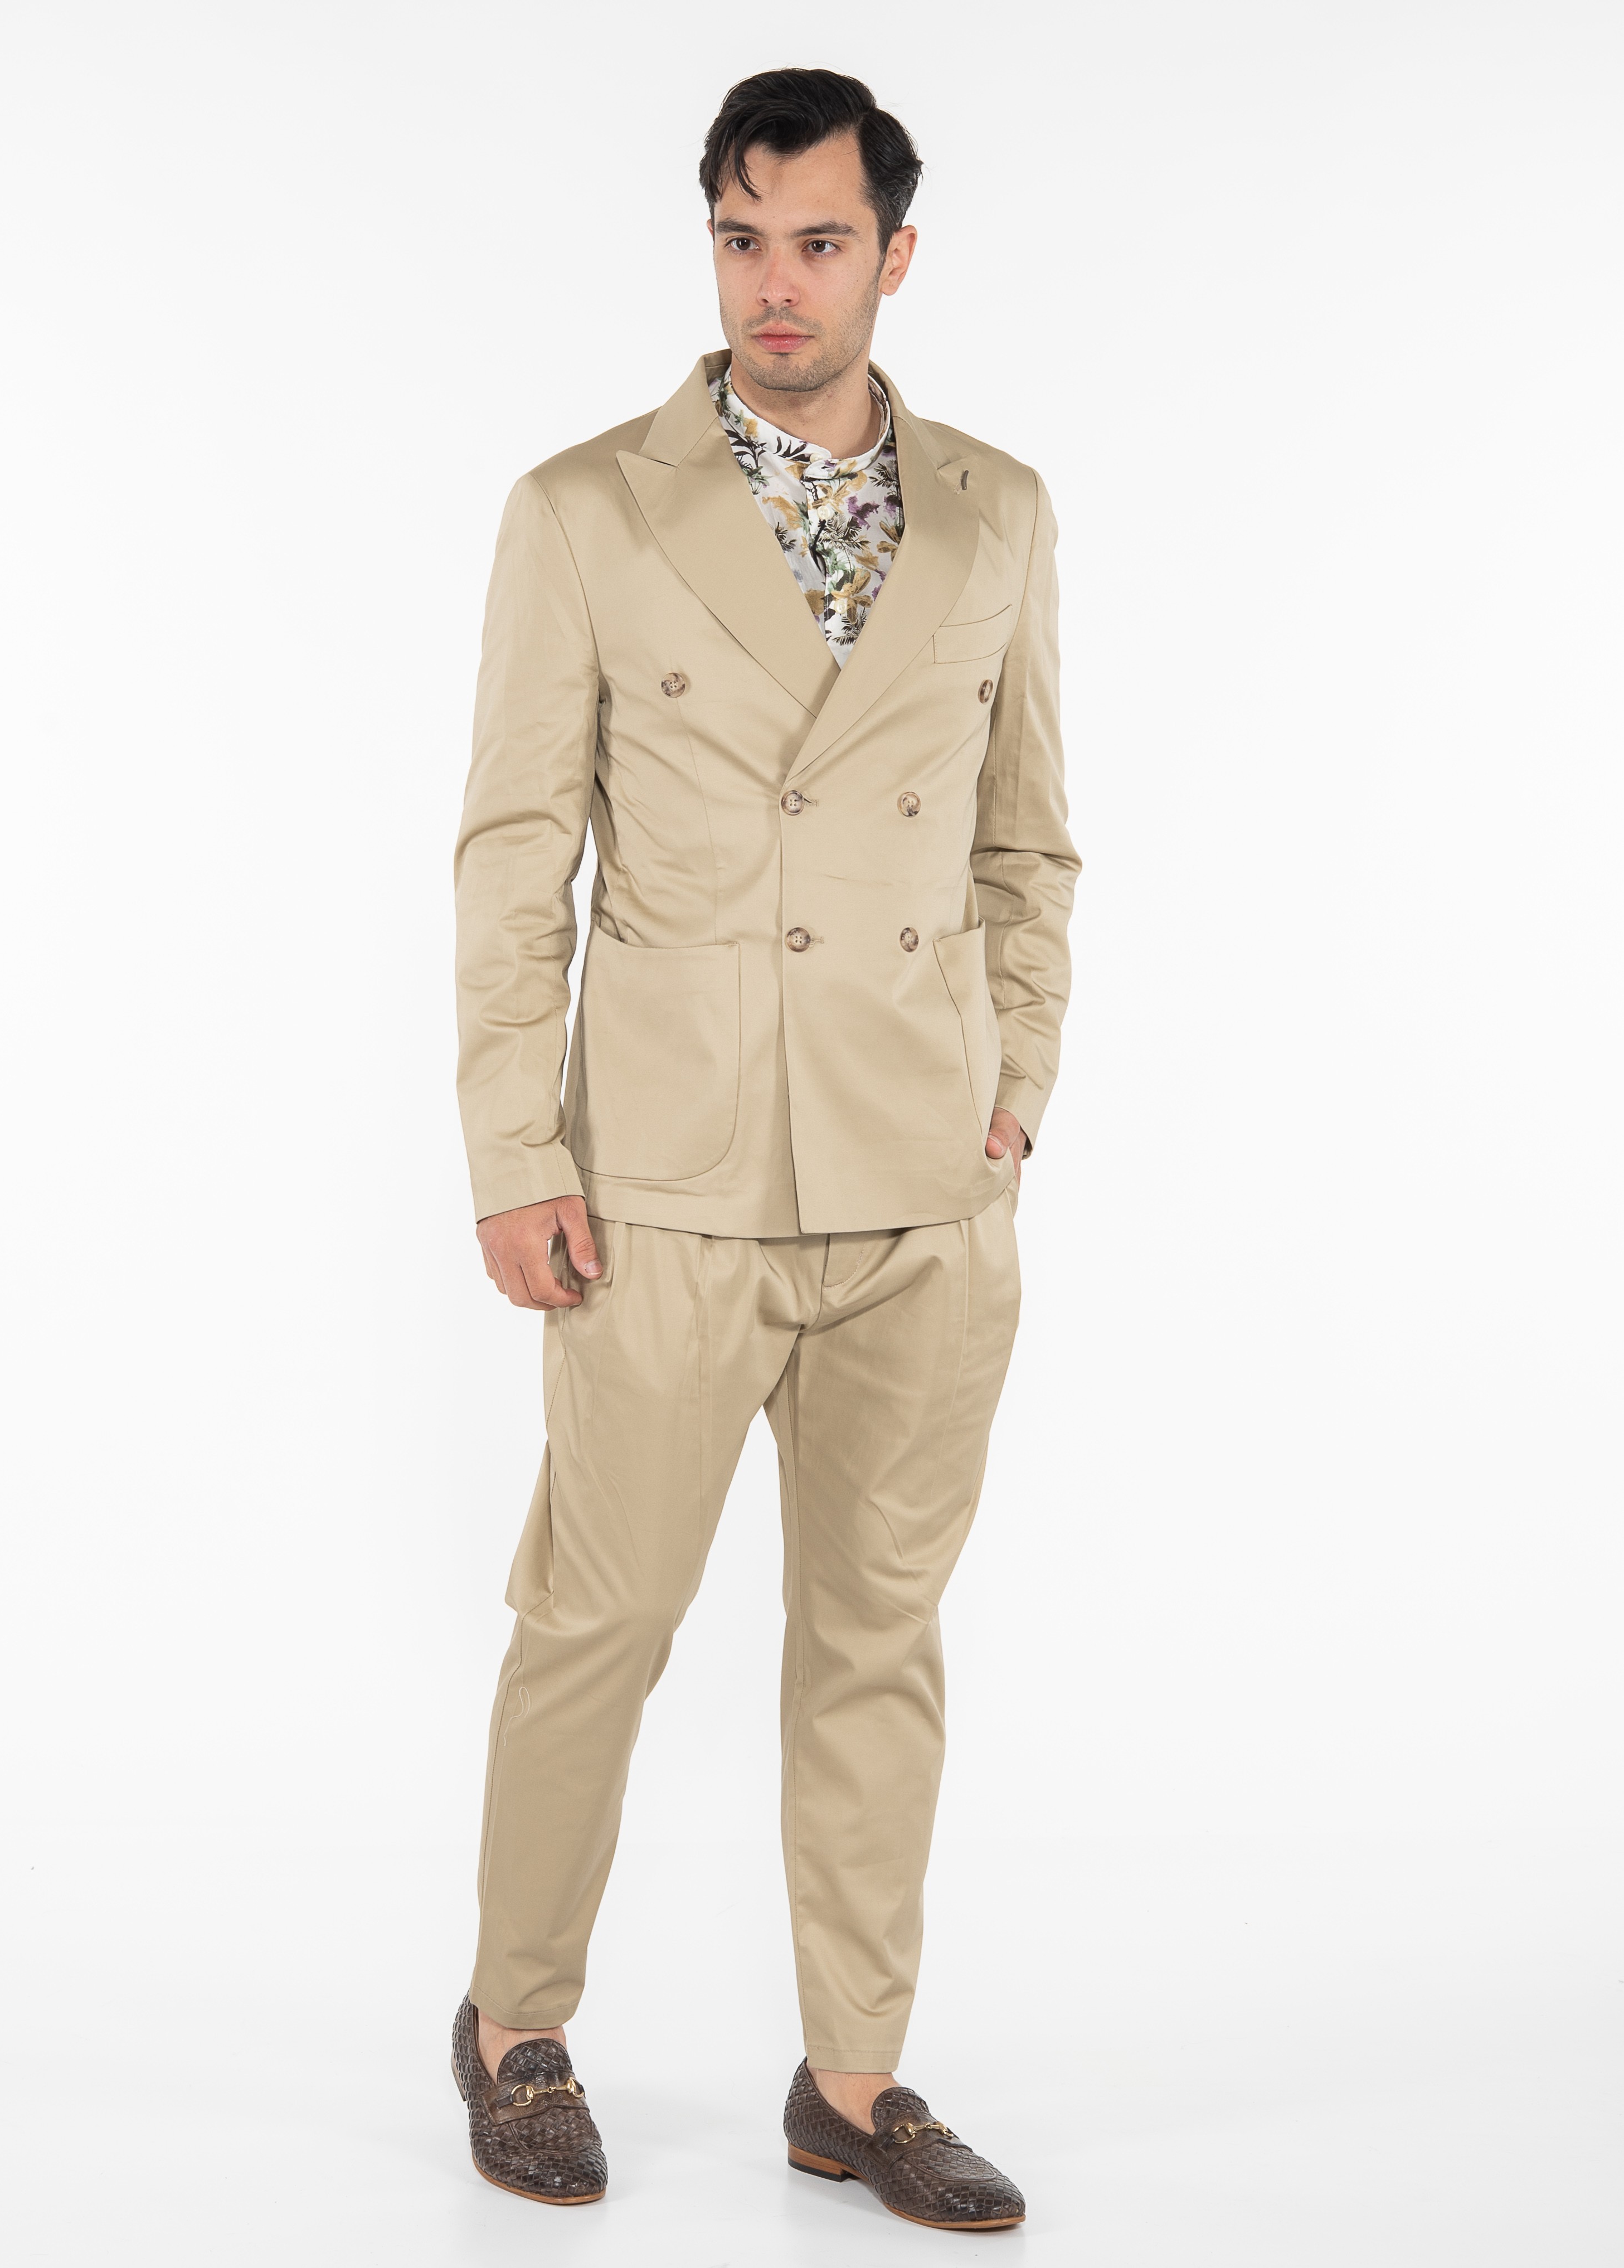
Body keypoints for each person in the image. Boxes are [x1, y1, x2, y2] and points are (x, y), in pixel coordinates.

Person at [448, 66, 1080, 2231]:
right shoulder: (584, 510)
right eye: (740, 239)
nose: (773, 285)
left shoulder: (997, 510)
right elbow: (514, 855)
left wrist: (1018, 1079)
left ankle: (854, 2078)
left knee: (876, 1637)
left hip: (922, 1180)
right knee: (599, 1619)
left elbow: (1027, 840)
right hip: (664, 1181)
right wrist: (513, 1145)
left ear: (895, 255)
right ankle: (516, 2026)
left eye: (817, 242)